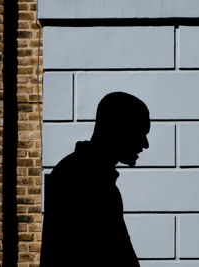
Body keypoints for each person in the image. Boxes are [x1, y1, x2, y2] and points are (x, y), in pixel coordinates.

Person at [40, 92, 151, 267]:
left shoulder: (78, 171)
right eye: (140, 133)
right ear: (119, 129)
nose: (145, 144)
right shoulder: (89, 180)